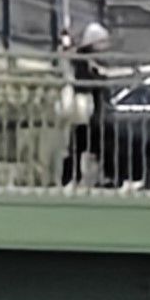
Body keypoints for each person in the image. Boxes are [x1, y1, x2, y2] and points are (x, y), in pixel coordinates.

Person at [60, 21, 115, 187]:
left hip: (93, 111)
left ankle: (100, 176)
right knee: (80, 145)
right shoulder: (82, 60)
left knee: (90, 145)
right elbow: (83, 81)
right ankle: (72, 178)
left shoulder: (89, 60)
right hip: (87, 110)